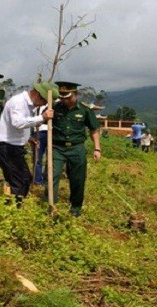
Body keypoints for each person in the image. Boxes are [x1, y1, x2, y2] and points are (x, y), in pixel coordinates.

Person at [0, 82, 57, 206]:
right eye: (45, 101)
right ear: (39, 95)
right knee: (18, 181)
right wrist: (42, 118)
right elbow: (17, 123)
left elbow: (21, 126)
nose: (44, 104)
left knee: (26, 178)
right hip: (6, 147)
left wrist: (29, 138)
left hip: (15, 147)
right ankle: (13, 208)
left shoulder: (29, 106)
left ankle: (16, 205)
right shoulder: (18, 102)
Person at [47, 81, 102, 217]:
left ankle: (76, 207)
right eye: (62, 97)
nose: (64, 100)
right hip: (57, 148)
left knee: (78, 179)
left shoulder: (84, 109)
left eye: (68, 97)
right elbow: (43, 122)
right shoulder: (54, 107)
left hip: (76, 148)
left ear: (76, 94)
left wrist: (97, 148)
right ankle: (51, 204)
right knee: (51, 175)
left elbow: (94, 129)